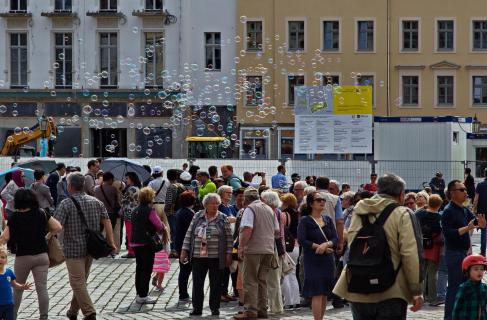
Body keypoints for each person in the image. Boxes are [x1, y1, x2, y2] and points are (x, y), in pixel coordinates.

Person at [333, 173, 424, 320]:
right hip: (392, 288)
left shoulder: (359, 209)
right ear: (401, 195)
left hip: (358, 284)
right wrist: (416, 289)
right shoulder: (402, 213)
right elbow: (411, 253)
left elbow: (352, 241)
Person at [54, 172, 116, 320]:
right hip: (91, 248)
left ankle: (89, 312)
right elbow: (107, 221)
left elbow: (56, 226)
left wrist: (48, 237)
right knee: (81, 282)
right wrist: (111, 242)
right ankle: (73, 312)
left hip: (73, 249)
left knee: (77, 282)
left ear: (70, 186)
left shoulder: (66, 203)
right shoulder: (95, 201)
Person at [0, 189, 62, 320]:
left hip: (23, 257)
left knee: (18, 288)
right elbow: (57, 227)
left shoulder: (15, 217)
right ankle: (43, 317)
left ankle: (13, 316)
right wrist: (47, 236)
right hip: (42, 256)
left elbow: (4, 237)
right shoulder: (42, 213)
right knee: (42, 288)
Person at [180, 193, 233, 316]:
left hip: (216, 257)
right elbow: (189, 234)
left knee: (215, 283)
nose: (215, 206)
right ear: (206, 205)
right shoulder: (197, 216)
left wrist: (229, 253)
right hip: (198, 256)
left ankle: (215, 308)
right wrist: (184, 251)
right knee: (197, 283)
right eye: (212, 203)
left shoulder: (222, 218)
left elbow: (229, 238)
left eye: (217, 204)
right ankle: (197, 308)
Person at [442, 179, 487, 320]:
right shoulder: (448, 211)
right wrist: (467, 228)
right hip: (454, 253)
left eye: (465, 189)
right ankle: (449, 317)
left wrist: (482, 223)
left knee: (465, 287)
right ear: (452, 193)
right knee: (454, 288)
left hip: (463, 254)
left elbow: (474, 222)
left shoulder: (463, 209)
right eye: (462, 190)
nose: (465, 192)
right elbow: (449, 233)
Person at [234, 188, 280, 320]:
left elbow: (247, 228)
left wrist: (241, 247)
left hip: (253, 249)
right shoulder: (269, 209)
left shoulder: (250, 209)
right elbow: (277, 231)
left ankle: (250, 311)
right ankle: (262, 310)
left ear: (246, 199)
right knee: (262, 280)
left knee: (250, 280)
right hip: (268, 249)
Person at [297, 192, 338, 320]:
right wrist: (317, 246)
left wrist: (325, 245)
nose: (322, 202)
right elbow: (302, 240)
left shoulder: (328, 219)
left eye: (323, 199)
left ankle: (321, 317)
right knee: (317, 292)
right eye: (318, 199)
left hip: (327, 259)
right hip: (312, 259)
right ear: (311, 204)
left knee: (325, 291)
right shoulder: (305, 220)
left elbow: (335, 238)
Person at [130, 187, 164, 304]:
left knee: (139, 268)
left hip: (135, 242)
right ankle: (143, 295)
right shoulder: (150, 211)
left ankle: (139, 293)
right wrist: (163, 226)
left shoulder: (135, 210)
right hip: (146, 243)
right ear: (150, 198)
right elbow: (159, 226)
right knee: (147, 270)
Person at [415, 194, 443, 305]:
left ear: (428, 202)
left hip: (422, 246)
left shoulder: (421, 214)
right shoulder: (440, 217)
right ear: (439, 205)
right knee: (432, 274)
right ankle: (432, 299)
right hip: (434, 248)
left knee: (422, 273)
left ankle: (421, 297)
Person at [260, 191, 284, 315]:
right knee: (274, 279)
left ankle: (275, 307)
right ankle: (276, 306)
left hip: (272, 247)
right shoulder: (278, 212)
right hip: (276, 247)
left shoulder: (272, 212)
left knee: (273, 279)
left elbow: (277, 233)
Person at [279, 193, 301, 311]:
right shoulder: (297, 214)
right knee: (292, 274)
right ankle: (296, 300)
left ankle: (287, 302)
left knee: (285, 274)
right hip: (296, 246)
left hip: (286, 247)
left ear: (286, 203)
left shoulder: (283, 214)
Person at [216, 185, 238, 302]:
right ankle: (220, 292)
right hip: (222, 241)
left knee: (228, 268)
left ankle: (225, 291)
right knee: (222, 268)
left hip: (232, 240)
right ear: (221, 194)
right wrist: (229, 219)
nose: (230, 195)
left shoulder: (230, 207)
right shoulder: (219, 207)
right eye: (227, 193)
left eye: (231, 192)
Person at [0, 246, 33, 320]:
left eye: (2, 257)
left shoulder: (9, 272)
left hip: (8, 304)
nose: (0, 259)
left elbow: (14, 284)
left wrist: (22, 286)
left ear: (6, 260)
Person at [175, 191, 196, 303]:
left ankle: (183, 294)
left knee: (184, 270)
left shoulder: (180, 211)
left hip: (180, 243)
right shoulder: (189, 214)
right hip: (186, 246)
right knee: (185, 270)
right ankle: (183, 295)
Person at [452, 255, 487, 319]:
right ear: (467, 271)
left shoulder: (484, 288)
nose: (480, 271)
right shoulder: (464, 288)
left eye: (482, 269)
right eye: (476, 269)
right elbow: (456, 309)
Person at [315, 177, 344, 254]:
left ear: (316, 186)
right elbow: (339, 221)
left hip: (311, 236)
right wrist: (341, 241)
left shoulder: (307, 198)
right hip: (330, 236)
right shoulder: (335, 199)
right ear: (328, 186)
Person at [94, 172, 121, 253]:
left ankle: (98, 248)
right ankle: (109, 249)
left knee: (98, 232)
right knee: (110, 232)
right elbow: (117, 202)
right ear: (110, 179)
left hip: (98, 213)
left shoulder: (96, 189)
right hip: (110, 213)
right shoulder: (113, 189)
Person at [165, 169, 187, 257]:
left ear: (167, 177)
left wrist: (166, 210)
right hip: (180, 210)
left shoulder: (171, 187)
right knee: (178, 231)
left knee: (173, 232)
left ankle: (174, 250)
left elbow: (169, 201)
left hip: (172, 212)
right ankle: (180, 249)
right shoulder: (181, 185)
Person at [120, 172, 142, 259]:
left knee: (130, 233)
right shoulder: (137, 188)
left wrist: (121, 192)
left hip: (129, 214)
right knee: (133, 233)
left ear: (132, 179)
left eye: (127, 178)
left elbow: (123, 201)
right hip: (135, 213)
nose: (125, 180)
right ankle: (134, 250)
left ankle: (131, 251)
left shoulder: (131, 189)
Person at [473, 167, 487, 256]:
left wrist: (474, 210)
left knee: (483, 232)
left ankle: (483, 252)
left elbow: (476, 199)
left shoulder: (480, 184)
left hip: (482, 212)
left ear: (484, 174)